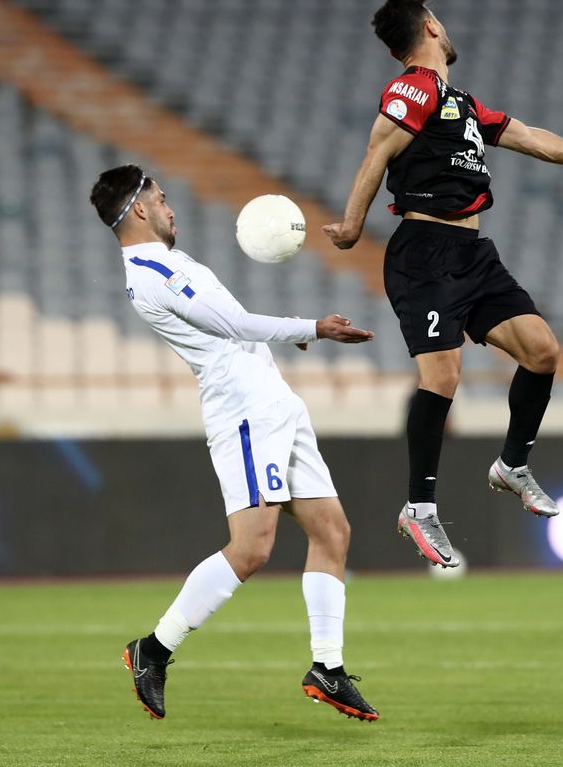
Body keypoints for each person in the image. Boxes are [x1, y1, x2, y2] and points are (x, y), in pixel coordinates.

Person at [323, 0, 563, 567]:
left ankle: (512, 464)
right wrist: (352, 225)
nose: (445, 26)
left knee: (542, 351)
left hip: (472, 253)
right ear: (429, 27)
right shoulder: (413, 88)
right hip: (424, 254)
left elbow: (536, 140)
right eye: (439, 19)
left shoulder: (461, 104)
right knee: (443, 375)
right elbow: (377, 150)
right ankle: (419, 507)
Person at [89, 164, 379, 720]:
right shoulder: (154, 271)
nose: (171, 208)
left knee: (332, 531)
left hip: (273, 401)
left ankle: (328, 668)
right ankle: (154, 649)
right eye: (162, 198)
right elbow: (236, 324)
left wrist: (286, 330)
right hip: (245, 413)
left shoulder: (165, 262)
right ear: (140, 208)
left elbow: (231, 326)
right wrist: (311, 328)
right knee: (251, 548)